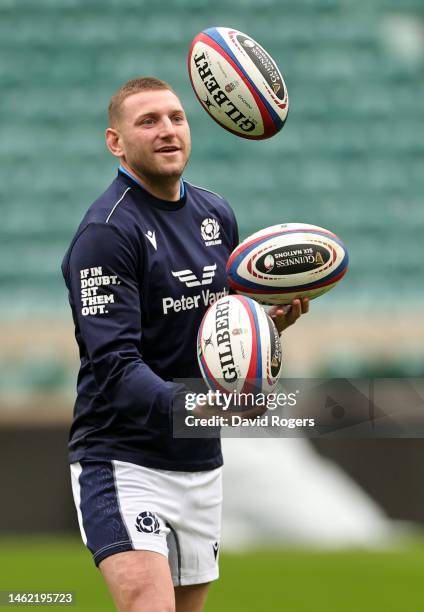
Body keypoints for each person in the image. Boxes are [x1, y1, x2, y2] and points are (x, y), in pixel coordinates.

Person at [61, 76, 309, 612]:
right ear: (116, 142)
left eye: (176, 117)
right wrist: (199, 406)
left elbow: (217, 329)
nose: (167, 130)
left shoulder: (215, 215)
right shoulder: (106, 233)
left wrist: (264, 331)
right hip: (123, 459)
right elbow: (116, 369)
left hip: (200, 462)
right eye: (148, 121)